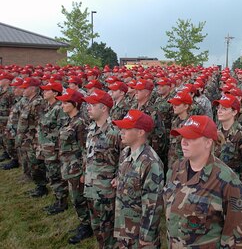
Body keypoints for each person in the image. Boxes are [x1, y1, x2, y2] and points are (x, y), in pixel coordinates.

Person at [165, 115, 242, 248]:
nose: (183, 142)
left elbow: (238, 236)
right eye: (183, 136)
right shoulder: (177, 168)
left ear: (208, 142)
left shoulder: (227, 181)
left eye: (191, 137)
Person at [112, 110, 165, 248]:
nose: (121, 132)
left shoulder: (150, 163)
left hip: (139, 233)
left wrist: (146, 237)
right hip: (124, 224)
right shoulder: (125, 152)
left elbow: (153, 205)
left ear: (141, 132)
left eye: (126, 128)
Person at [84, 89, 122, 249]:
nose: (88, 108)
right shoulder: (91, 129)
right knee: (97, 227)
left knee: (109, 230)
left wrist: (120, 177)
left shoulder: (115, 132)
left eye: (93, 105)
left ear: (104, 108)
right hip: (91, 187)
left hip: (106, 191)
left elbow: (126, 158)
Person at [56, 88, 93, 244]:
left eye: (65, 103)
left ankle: (87, 226)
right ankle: (83, 222)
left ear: (74, 104)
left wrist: (85, 172)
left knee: (79, 198)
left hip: (76, 167)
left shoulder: (80, 123)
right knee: (74, 197)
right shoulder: (68, 120)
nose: (62, 105)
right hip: (68, 166)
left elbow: (86, 150)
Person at [38, 82, 69, 215]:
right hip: (47, 147)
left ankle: (62, 202)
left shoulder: (59, 108)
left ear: (55, 93)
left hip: (54, 149)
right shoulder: (48, 107)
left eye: (47, 90)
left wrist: (58, 149)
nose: (44, 92)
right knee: (52, 174)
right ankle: (58, 199)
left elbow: (63, 129)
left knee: (57, 176)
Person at [17, 77, 48, 197]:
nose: (23, 89)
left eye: (26, 87)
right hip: (27, 139)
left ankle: (42, 187)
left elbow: (40, 124)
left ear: (33, 89)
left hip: (33, 140)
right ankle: (38, 185)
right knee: (31, 163)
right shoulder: (28, 101)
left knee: (36, 165)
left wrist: (37, 142)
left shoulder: (38, 103)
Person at [167, 91, 193, 168]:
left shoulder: (191, 125)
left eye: (177, 104)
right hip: (172, 163)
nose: (174, 106)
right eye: (173, 104)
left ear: (186, 106)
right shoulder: (175, 121)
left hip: (184, 166)